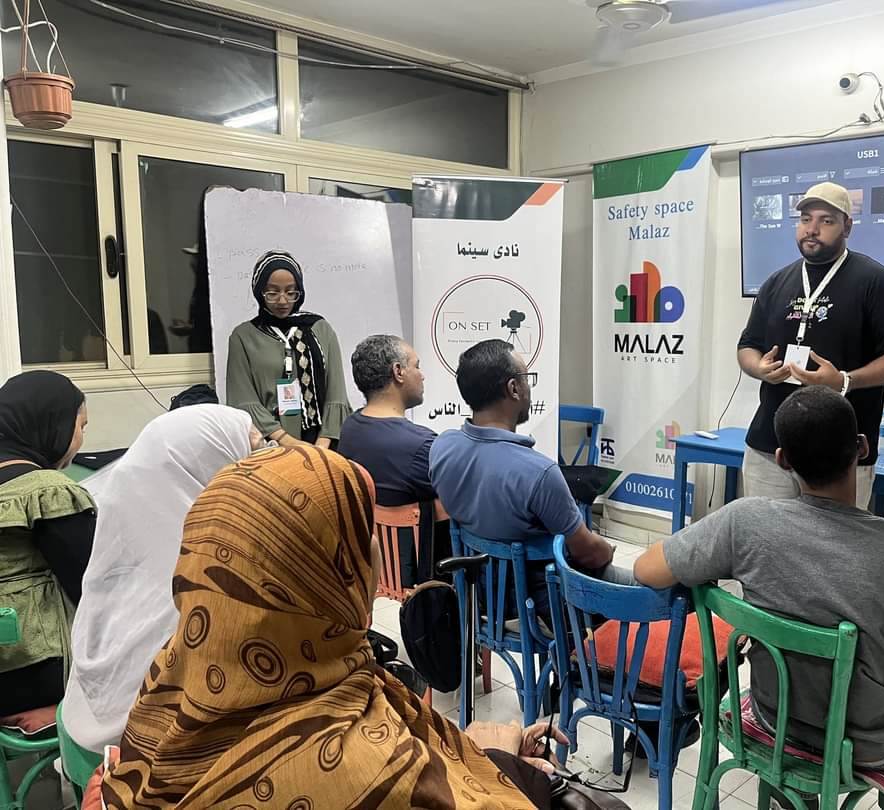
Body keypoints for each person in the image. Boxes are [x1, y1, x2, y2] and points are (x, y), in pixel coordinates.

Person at [98, 445, 567, 809]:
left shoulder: (166, 685)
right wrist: (499, 763)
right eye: (362, 535)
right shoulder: (355, 767)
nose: (375, 551)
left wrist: (464, 749)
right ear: (326, 575)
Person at [634, 386, 884, 810]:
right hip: (872, 745)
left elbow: (645, 570)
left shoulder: (745, 521)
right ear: (862, 447)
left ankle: (795, 794)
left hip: (774, 718)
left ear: (782, 459)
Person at [63, 405, 263, 753]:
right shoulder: (210, 575)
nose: (265, 460)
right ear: (216, 464)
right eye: (253, 449)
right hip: (162, 752)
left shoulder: (124, 555)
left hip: (88, 733)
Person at [738, 182, 884, 509]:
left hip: (840, 454)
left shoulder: (876, 282)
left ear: (847, 227)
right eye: (805, 219)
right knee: (766, 537)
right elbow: (747, 346)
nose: (812, 229)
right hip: (770, 447)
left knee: (836, 541)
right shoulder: (776, 282)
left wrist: (844, 381)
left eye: (826, 220)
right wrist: (759, 368)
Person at [430, 339, 631, 621]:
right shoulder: (539, 472)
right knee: (649, 588)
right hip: (540, 609)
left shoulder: (442, 447)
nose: (529, 387)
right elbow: (589, 555)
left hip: (478, 597)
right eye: (526, 378)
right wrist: (607, 549)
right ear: (513, 388)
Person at [0, 370, 93, 732]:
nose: (81, 439)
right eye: (80, 426)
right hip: (28, 674)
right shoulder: (45, 490)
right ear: (52, 424)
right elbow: (92, 586)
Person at [339, 334, 449, 586]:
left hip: (372, 576)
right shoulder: (422, 445)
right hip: (421, 581)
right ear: (398, 372)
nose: (422, 376)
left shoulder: (349, 429)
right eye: (417, 366)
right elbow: (459, 505)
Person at [225, 250, 350, 448]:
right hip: (270, 444)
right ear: (259, 292)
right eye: (273, 292)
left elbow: (337, 392)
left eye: (291, 292)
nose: (282, 301)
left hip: (325, 442)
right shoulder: (243, 337)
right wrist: (289, 443)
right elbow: (243, 400)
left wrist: (322, 446)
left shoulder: (320, 328)